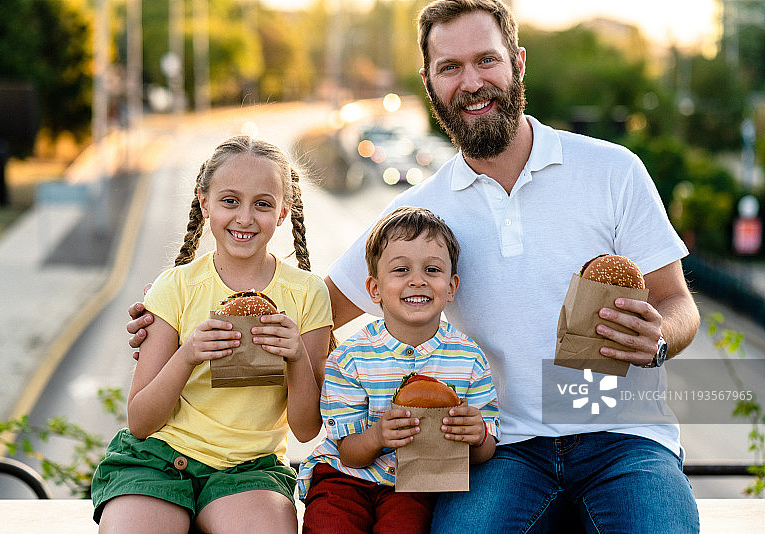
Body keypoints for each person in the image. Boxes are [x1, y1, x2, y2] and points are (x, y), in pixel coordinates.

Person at [128, 1, 702, 532]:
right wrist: (174, 315)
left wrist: (658, 336)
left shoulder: (612, 169)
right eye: (450, 66)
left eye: (486, 61)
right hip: (498, 449)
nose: (472, 82)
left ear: (516, 63)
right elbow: (311, 309)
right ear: (428, 82)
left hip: (623, 434)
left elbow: (677, 304)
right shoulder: (417, 216)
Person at [94, 135, 333, 534]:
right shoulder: (174, 288)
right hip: (160, 460)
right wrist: (187, 354)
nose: (244, 218)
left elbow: (307, 429)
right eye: (229, 201)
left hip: (250, 470)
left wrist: (297, 357)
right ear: (204, 202)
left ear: (283, 212)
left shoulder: (307, 294)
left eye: (262, 204)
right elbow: (140, 421)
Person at [298, 206, 499, 534]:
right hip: (345, 478)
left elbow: (484, 449)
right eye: (401, 270)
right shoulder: (350, 358)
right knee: (328, 526)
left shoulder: (469, 359)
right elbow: (349, 453)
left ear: (451, 286)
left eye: (432, 270)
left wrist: (477, 436)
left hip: (417, 482)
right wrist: (378, 435)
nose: (417, 280)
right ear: (375, 288)